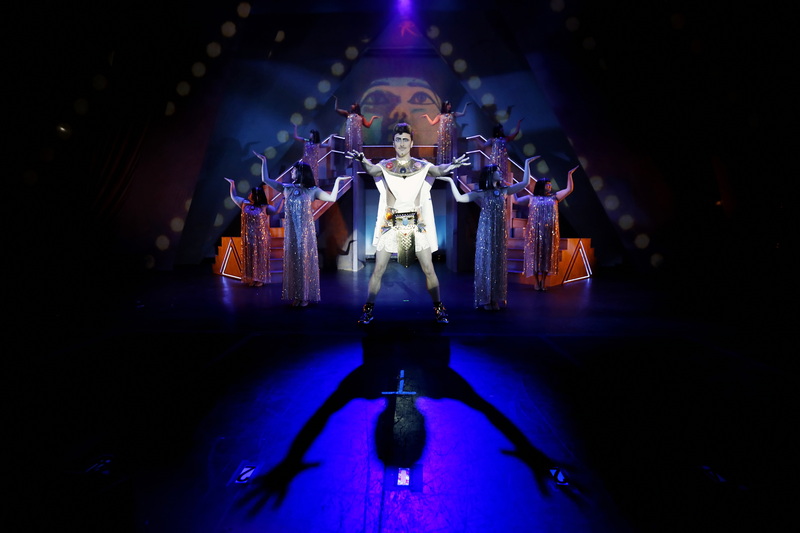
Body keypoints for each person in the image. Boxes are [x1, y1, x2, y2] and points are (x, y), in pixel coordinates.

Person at [346, 123, 470, 325]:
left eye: (405, 139)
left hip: (416, 223)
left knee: (429, 269)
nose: (401, 143)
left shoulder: (421, 166)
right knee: (378, 269)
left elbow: (438, 171)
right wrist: (362, 161)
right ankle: (367, 310)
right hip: (390, 223)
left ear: (411, 142)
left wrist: (450, 167)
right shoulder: (386, 165)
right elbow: (370, 170)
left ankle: (439, 308)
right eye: (398, 139)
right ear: (393, 143)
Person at [438, 156, 539, 310]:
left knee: (497, 263)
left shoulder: (504, 190)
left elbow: (524, 183)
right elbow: (459, 198)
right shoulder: (481, 193)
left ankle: (496, 297)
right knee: (486, 263)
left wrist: (526, 164)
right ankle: (486, 299)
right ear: (490, 175)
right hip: (485, 231)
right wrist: (452, 181)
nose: (500, 173)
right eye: (497, 171)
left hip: (499, 232)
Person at [254, 151, 348, 307]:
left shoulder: (312, 190)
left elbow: (332, 198)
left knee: (303, 263)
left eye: (294, 170)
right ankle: (296, 295)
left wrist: (337, 180)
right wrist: (264, 161)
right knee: (293, 263)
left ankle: (304, 296)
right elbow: (265, 179)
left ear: (301, 172)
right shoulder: (286, 188)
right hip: (291, 233)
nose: (292, 172)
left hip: (305, 233)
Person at [514, 164, 578, 291]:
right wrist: (511, 188)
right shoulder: (531, 198)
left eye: (550, 184)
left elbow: (569, 189)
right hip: (535, 232)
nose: (549, 186)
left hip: (549, 232)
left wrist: (569, 175)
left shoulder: (555, 197)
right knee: (536, 256)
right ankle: (537, 282)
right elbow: (516, 201)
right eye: (547, 184)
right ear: (541, 186)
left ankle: (543, 281)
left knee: (545, 257)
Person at [223, 179, 280, 287]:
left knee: (259, 258)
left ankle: (260, 279)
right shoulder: (244, 204)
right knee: (250, 258)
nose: (250, 194)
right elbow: (234, 197)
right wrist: (232, 184)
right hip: (248, 237)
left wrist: (282, 201)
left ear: (257, 196)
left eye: (252, 193)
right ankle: (252, 278)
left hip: (261, 237)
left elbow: (276, 211)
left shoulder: (264, 207)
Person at [421, 100, 471, 165]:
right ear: (445, 106)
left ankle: (451, 164)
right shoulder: (440, 115)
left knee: (450, 150)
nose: (449, 106)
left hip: (450, 136)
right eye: (448, 105)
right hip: (442, 136)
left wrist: (466, 105)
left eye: (450, 105)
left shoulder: (452, 114)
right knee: (442, 151)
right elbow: (432, 123)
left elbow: (463, 113)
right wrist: (427, 116)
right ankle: (441, 165)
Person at [475, 118, 524, 183]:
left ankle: (502, 183)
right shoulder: (492, 139)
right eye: (501, 129)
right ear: (497, 131)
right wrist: (476, 139)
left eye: (502, 129)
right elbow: (483, 145)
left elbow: (516, 133)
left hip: (503, 158)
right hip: (495, 158)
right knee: (495, 171)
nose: (502, 130)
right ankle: (494, 183)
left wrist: (518, 123)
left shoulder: (505, 138)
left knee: (503, 171)